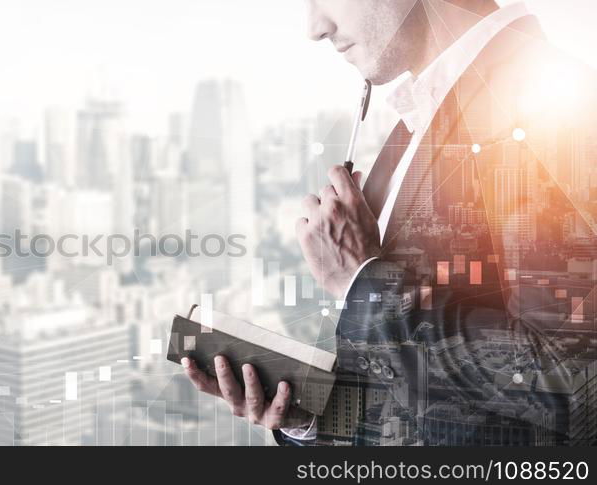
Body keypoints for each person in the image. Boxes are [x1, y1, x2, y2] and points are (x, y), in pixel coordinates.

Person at [184, 0, 597, 445]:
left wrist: (362, 283)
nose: (315, 27)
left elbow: (575, 383)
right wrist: (310, 418)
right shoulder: (424, 117)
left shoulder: (547, 104)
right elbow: (440, 409)